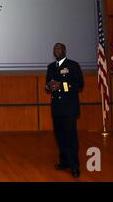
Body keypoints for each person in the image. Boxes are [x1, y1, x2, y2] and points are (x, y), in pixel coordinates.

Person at [45, 43, 84, 178]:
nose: (56, 50)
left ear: (65, 51)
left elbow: (79, 84)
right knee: (60, 136)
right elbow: (47, 86)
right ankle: (64, 161)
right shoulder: (51, 67)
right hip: (56, 108)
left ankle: (74, 166)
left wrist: (61, 85)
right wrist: (49, 87)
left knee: (71, 137)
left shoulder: (73, 65)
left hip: (69, 108)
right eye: (54, 48)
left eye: (59, 48)